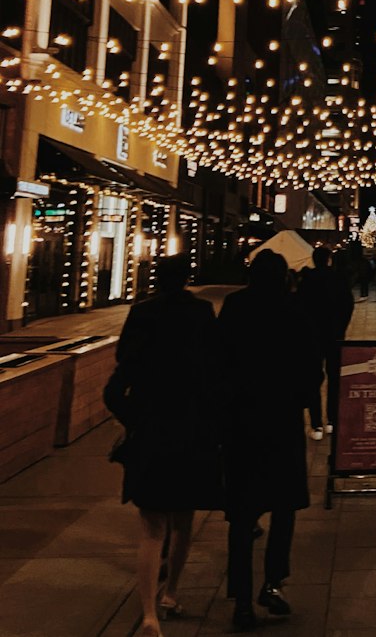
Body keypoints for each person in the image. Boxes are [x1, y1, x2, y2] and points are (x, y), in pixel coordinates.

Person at [103, 253, 221, 637]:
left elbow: (119, 375)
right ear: (187, 278)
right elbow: (214, 366)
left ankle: (149, 613)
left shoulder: (143, 313)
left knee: (152, 527)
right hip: (191, 428)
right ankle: (171, 592)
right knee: (183, 520)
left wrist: (134, 419)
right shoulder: (202, 313)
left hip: (152, 428)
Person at [218, 249, 321, 631]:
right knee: (283, 510)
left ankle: (242, 602)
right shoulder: (293, 311)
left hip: (242, 424)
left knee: (242, 517)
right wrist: (306, 405)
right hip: (281, 423)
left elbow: (219, 360)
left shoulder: (234, 307)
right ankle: (272, 583)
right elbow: (312, 368)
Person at [298, 246, 355, 439]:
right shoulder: (338, 278)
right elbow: (348, 304)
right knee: (334, 378)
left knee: (313, 378)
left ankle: (316, 425)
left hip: (312, 336)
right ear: (329, 259)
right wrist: (341, 327)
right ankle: (332, 420)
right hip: (334, 334)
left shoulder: (307, 279)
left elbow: (301, 307)